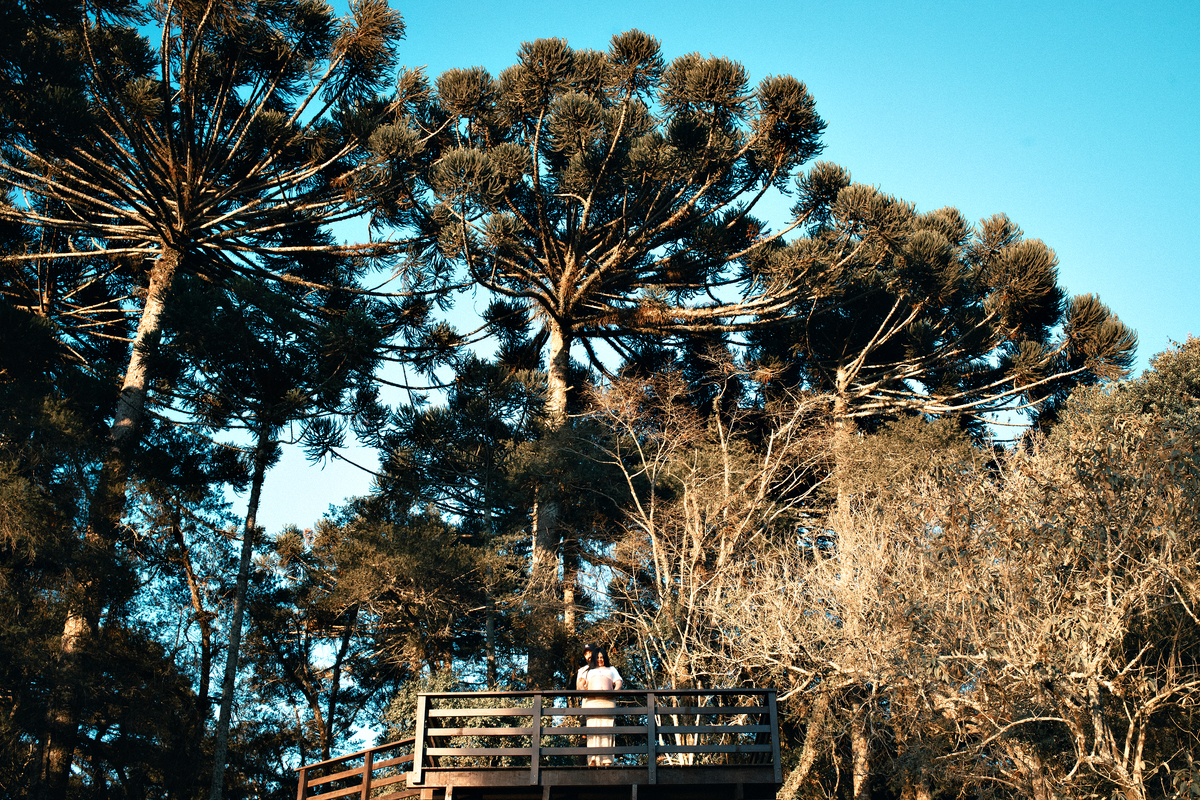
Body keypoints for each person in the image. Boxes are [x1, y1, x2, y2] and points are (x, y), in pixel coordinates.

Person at [576, 645, 622, 766]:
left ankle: (607, 760)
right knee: (593, 729)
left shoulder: (612, 669)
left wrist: (615, 692)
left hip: (608, 702)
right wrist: (584, 691)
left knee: (607, 730)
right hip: (593, 702)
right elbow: (581, 684)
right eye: (597, 657)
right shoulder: (588, 671)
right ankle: (593, 759)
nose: (599, 660)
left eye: (601, 657)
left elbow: (618, 682)